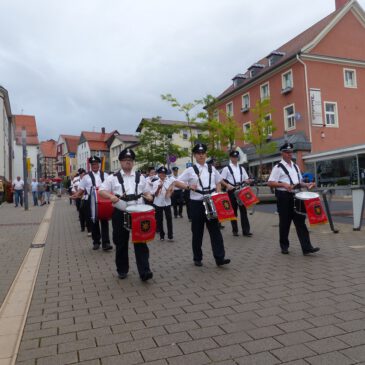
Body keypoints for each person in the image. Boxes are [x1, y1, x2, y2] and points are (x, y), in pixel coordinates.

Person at [99, 148, 154, 281]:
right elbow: (101, 191)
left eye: (130, 160)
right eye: (125, 160)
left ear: (133, 162)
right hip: (120, 213)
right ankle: (122, 270)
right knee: (121, 243)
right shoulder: (112, 177)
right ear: (120, 162)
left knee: (141, 242)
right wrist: (111, 196)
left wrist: (149, 196)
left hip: (138, 214)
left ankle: (145, 271)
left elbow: (147, 192)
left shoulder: (140, 177)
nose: (128, 162)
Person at [175, 143, 232, 267]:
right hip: (197, 203)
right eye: (198, 154)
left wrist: (218, 192)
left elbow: (218, 181)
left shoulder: (211, 168)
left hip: (211, 201)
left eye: (203, 153)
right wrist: (188, 186)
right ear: (195, 155)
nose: (201, 155)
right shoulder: (190, 170)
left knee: (215, 230)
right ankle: (197, 257)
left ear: (206, 154)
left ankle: (219, 257)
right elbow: (177, 182)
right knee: (197, 231)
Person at [267, 142, 320, 255]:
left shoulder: (295, 166)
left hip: (296, 196)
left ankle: (307, 247)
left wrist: (307, 184)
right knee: (285, 222)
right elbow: (270, 182)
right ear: (282, 153)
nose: (290, 154)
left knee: (301, 222)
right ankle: (284, 246)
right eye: (287, 152)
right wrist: (283, 185)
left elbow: (298, 182)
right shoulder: (278, 167)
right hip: (284, 197)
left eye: (291, 152)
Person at [76, 156, 112, 251]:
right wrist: (75, 195)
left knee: (104, 221)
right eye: (92, 164)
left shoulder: (106, 175)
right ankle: (96, 242)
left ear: (99, 165)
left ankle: (106, 243)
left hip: (103, 200)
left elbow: (110, 188)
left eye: (96, 164)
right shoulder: (86, 177)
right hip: (90, 201)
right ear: (90, 166)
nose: (94, 166)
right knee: (94, 221)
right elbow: (81, 189)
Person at [220, 150, 253, 237]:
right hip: (231, 190)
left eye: (236, 157)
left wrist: (248, 180)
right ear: (230, 158)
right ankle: (235, 230)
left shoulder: (241, 168)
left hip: (241, 190)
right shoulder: (226, 168)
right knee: (233, 211)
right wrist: (227, 185)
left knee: (243, 211)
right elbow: (221, 180)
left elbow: (246, 178)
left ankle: (246, 231)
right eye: (233, 157)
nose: (235, 158)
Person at [152, 166, 175, 241]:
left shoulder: (169, 182)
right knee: (159, 220)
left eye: (164, 173)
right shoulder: (155, 182)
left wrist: (171, 192)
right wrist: (159, 188)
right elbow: (155, 195)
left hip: (167, 203)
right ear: (158, 174)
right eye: (161, 173)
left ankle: (170, 236)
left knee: (169, 219)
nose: (162, 174)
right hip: (158, 203)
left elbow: (171, 191)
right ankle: (162, 235)